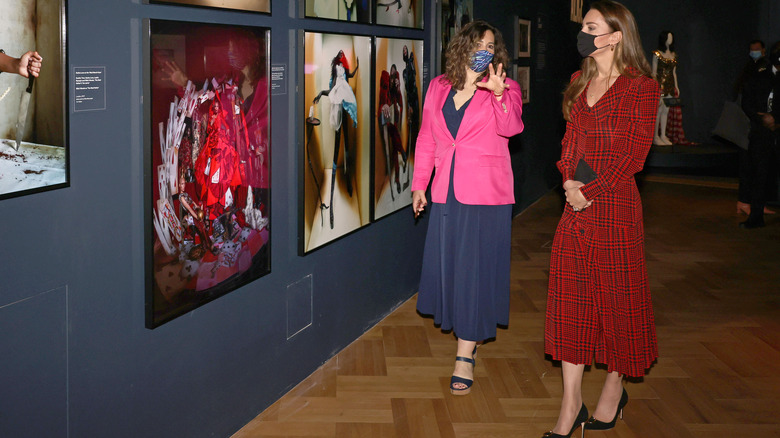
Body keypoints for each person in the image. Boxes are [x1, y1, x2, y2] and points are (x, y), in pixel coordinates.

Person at [543, 2, 659, 437]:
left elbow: (634, 154)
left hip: (615, 208)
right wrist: (569, 183)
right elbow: (570, 139)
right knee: (570, 303)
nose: (583, 33)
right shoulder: (579, 80)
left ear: (614, 36)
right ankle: (570, 404)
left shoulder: (641, 88)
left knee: (618, 303)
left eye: (591, 27)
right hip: (575, 205)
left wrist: (589, 191)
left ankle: (615, 384)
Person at [411, 20, 524, 396]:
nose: (485, 52)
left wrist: (497, 94)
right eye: (478, 45)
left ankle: (465, 353)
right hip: (446, 191)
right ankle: (463, 329)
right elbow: (427, 138)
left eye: (491, 46)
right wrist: (419, 185)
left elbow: (512, 128)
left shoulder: (506, 87)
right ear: (462, 47)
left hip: (486, 194)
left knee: (475, 270)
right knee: (453, 268)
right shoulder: (438, 87)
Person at [314, 50, 360, 229]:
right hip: (338, 110)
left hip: (345, 108)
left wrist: (355, 67)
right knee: (337, 148)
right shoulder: (336, 74)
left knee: (347, 146)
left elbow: (351, 75)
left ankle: (348, 183)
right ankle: (332, 205)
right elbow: (331, 89)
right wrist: (320, 94)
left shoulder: (344, 75)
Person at [739, 43, 780, 229]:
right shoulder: (760, 73)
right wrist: (761, 118)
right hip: (761, 132)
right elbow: (747, 101)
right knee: (759, 173)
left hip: (774, 128)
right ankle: (756, 215)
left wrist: (776, 119)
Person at [651, 31, 677, 145]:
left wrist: (676, 86)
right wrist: (657, 88)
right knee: (658, 111)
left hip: (670, 86)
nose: (670, 40)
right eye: (668, 37)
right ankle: (655, 136)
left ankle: (663, 135)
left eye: (671, 38)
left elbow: (674, 73)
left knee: (666, 111)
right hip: (660, 86)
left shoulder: (673, 55)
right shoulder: (657, 54)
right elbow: (654, 72)